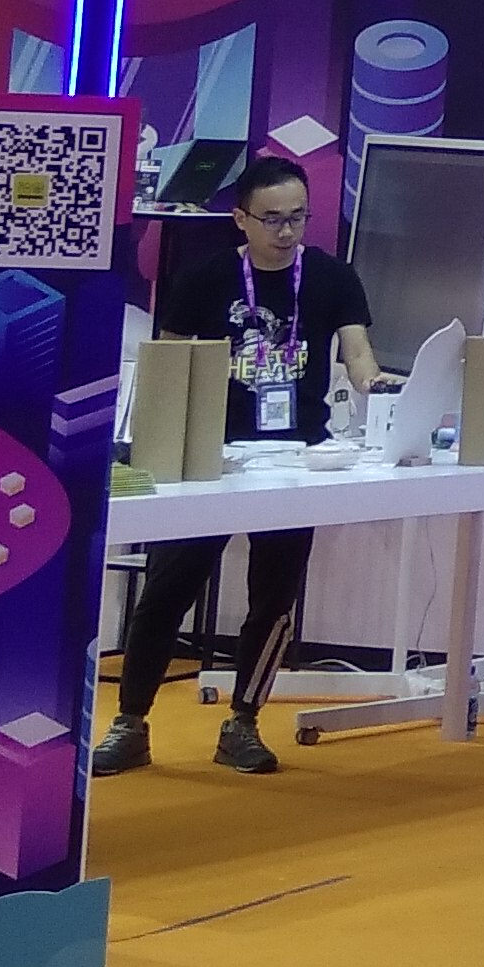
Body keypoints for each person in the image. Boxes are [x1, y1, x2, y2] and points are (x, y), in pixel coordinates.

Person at [94, 154, 379, 778]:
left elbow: (357, 353)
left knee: (273, 600)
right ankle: (130, 723)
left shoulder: (332, 277)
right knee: (166, 590)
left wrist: (377, 385)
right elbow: (167, 367)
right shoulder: (205, 278)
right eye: (272, 218)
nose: (287, 231)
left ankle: (243, 723)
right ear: (241, 218)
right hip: (210, 456)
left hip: (296, 460)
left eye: (298, 217)